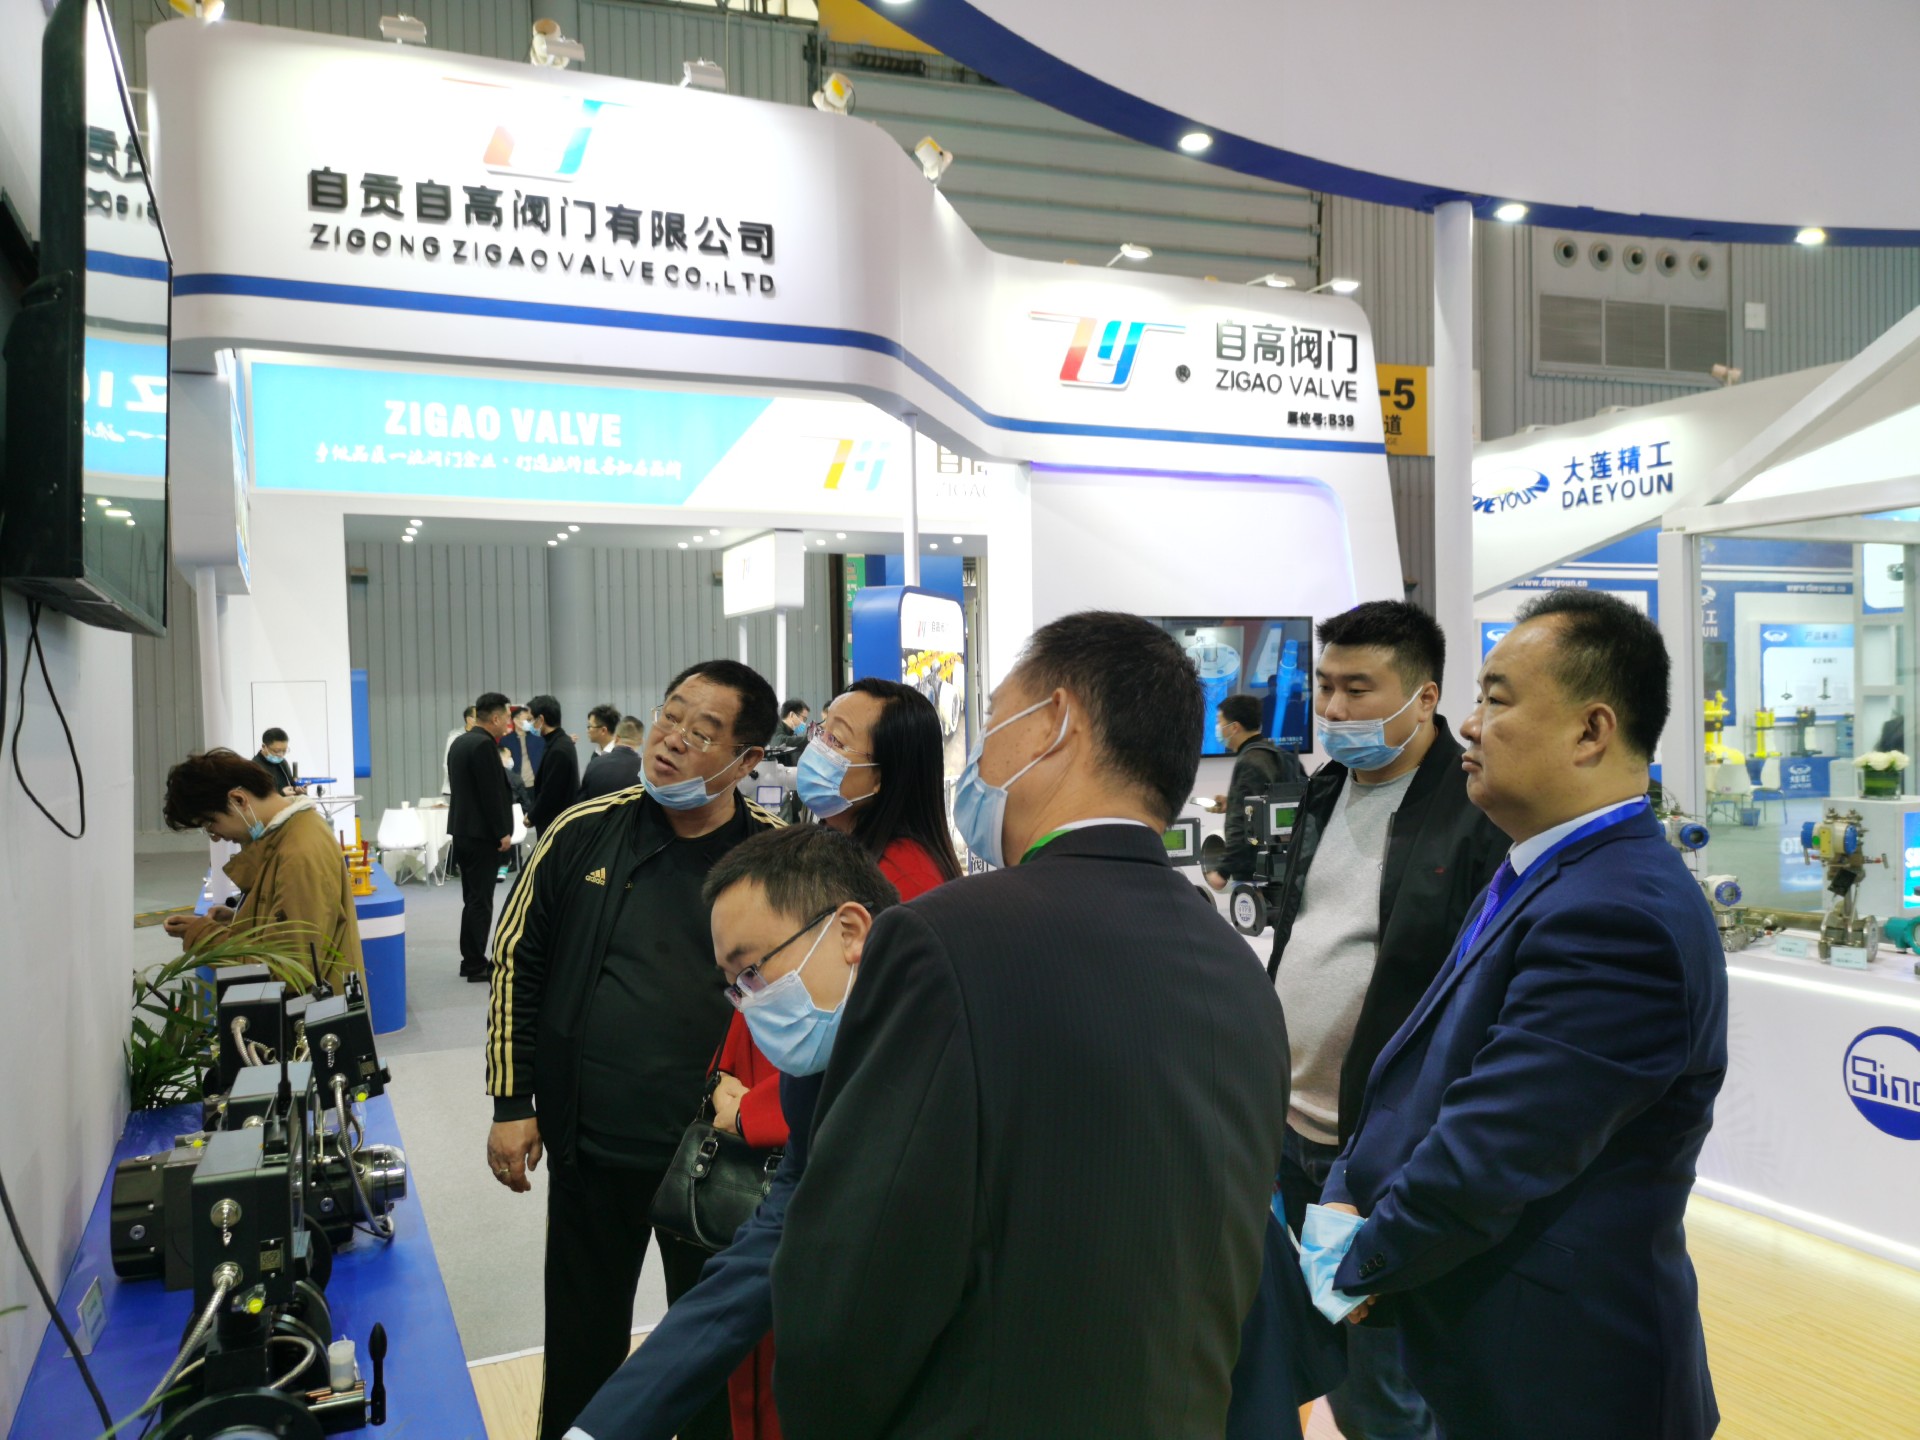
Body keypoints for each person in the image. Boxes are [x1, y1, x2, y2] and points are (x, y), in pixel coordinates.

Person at [772, 611, 1291, 1440]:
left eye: (992, 722)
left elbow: (861, 1267)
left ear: (1055, 722)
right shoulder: (1235, 968)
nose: (978, 757)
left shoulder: (943, 938)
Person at [1317, 589, 1727, 1440]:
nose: (1470, 726)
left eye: (1496, 700)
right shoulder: (1541, 872)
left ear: (1591, 732)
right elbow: (1425, 1074)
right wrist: (1349, 1191)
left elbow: (1493, 1152)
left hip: (1566, 1379)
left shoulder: (1618, 915)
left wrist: (1354, 1263)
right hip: (1486, 1350)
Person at [485, 660, 783, 1440]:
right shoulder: (584, 830)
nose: (672, 739)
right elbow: (517, 962)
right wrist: (513, 1103)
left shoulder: (778, 856)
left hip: (721, 1159)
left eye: (702, 732)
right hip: (593, 1145)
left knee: (714, 1358)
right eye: (670, 716)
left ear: (748, 760)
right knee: (582, 1351)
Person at [660, 678, 961, 1440]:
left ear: (885, 772)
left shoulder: (904, 884)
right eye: (820, 729)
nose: (815, 749)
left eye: (837, 739)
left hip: (803, 1151)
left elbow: (880, 1053)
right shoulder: (833, 855)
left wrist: (752, 1112)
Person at [562, 826, 902, 1440]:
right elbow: (756, 1263)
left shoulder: (972, 1046)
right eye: (735, 984)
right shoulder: (812, 1077)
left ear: (850, 932)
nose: (749, 1004)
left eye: (755, 970)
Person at [1260, 601, 1506, 1440]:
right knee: (1305, 1351)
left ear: (1425, 696)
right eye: (1325, 687)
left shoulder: (1475, 810)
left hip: (1381, 1147)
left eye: (1358, 690)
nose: (1334, 710)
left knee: (1381, 1380)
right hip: (1288, 1125)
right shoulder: (1326, 789)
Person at [160, 748, 365, 991]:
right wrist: (241, 921)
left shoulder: (300, 852)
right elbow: (293, 931)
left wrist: (205, 936)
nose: (215, 837)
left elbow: (288, 973)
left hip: (303, 1011)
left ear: (239, 800)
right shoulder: (290, 835)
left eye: (210, 823)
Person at [1205, 692, 1305, 892]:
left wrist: (1223, 871)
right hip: (1289, 867)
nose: (1217, 728)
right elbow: (1274, 805)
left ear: (1234, 727)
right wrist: (1232, 802)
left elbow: (1245, 822)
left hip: (1255, 875)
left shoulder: (1250, 762)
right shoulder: (1281, 756)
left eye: (1219, 722)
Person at [447, 692, 515, 982]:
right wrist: (502, 831)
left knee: (472, 898)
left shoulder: (460, 742)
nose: (509, 723)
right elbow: (491, 794)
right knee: (481, 901)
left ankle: (470, 960)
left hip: (462, 831)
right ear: (496, 718)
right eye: (508, 718)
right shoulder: (484, 746)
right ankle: (475, 963)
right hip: (481, 835)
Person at [525, 694, 580, 836]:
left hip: (556, 826)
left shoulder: (558, 749)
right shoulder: (558, 742)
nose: (529, 725)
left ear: (541, 719)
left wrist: (532, 816)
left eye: (530, 720)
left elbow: (550, 791)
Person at [577, 715, 644, 801]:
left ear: (616, 738)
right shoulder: (645, 771)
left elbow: (582, 802)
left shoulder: (594, 764)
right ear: (641, 741)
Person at [442, 705, 477, 799]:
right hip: (458, 786)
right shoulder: (455, 737)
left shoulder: (481, 737)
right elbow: (447, 762)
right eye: (477, 717)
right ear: (469, 719)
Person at [255, 728, 301, 796]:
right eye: (277, 751)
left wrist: (297, 790)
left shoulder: (283, 762)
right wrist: (281, 794)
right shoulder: (255, 767)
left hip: (288, 801)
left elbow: (292, 785)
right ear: (264, 747)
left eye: (284, 751)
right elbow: (257, 796)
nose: (281, 755)